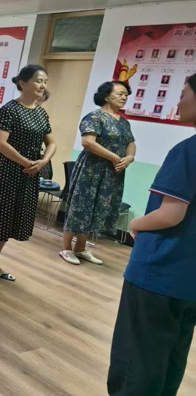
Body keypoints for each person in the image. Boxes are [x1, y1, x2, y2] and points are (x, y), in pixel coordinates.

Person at [107, 74, 196, 395]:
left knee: (137, 362)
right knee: (170, 360)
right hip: (189, 281)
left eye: (184, 93)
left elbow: (171, 214)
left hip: (159, 274)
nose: (179, 101)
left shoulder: (188, 151)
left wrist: (136, 225)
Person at [0, 64, 56, 283]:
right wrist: (26, 162)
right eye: (38, 80)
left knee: (10, 218)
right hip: (5, 171)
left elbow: (52, 142)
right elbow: (0, 143)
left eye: (45, 82)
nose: (42, 85)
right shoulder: (9, 109)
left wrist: (42, 162)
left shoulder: (41, 113)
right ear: (23, 83)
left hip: (28, 174)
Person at [59, 81, 135, 265]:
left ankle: (80, 248)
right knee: (81, 207)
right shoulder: (94, 116)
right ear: (106, 96)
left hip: (112, 172)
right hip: (91, 169)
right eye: (120, 93)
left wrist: (129, 158)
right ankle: (67, 248)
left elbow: (131, 144)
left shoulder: (124, 122)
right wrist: (114, 157)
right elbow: (88, 142)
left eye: (126, 94)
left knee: (97, 209)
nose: (124, 97)